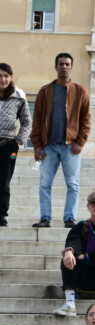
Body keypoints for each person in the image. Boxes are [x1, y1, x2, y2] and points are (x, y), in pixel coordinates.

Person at [31, 53, 90, 228]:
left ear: (71, 67)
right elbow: (37, 119)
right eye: (61, 64)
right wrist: (36, 145)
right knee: (44, 184)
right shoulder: (45, 91)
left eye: (67, 64)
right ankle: (45, 218)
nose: (64, 67)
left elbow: (86, 119)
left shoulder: (80, 91)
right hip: (48, 146)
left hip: (70, 146)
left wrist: (80, 141)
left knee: (72, 184)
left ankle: (69, 218)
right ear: (55, 66)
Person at [0, 63, 32, 227]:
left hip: (7, 144)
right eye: (0, 76)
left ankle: (1, 215)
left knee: (4, 181)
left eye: (6, 76)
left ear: (10, 77)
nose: (3, 79)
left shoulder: (18, 96)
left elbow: (27, 122)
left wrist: (19, 141)